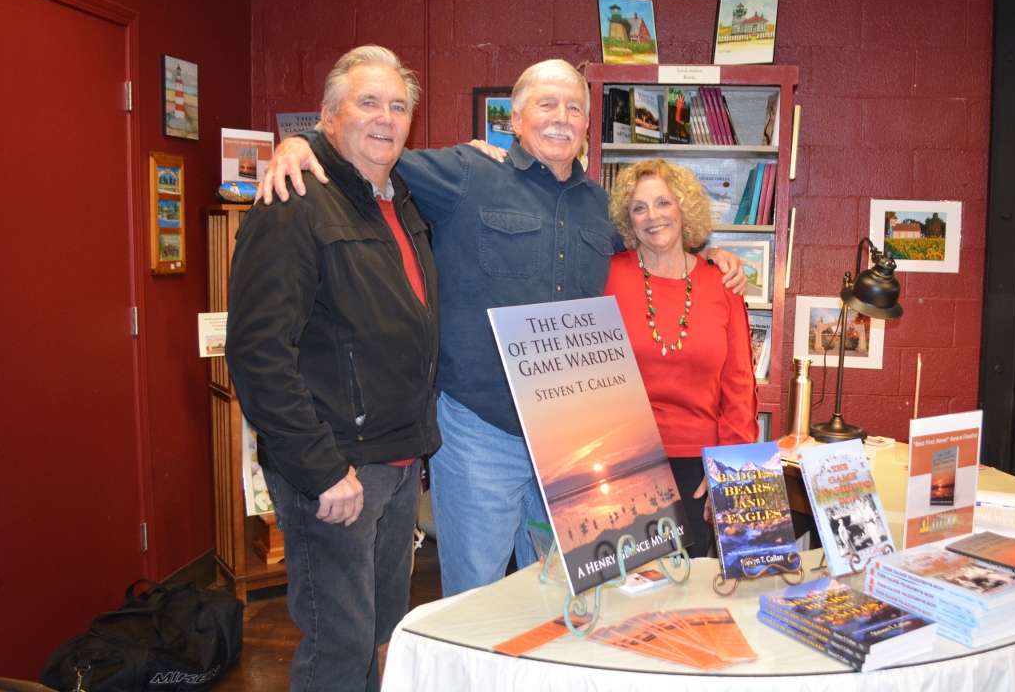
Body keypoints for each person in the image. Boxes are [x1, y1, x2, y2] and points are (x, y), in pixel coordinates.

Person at [258, 60, 746, 597]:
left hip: (574, 442)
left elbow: (661, 246)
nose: (561, 118)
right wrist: (301, 146)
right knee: (476, 598)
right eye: (546, 104)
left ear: (587, 125)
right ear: (515, 118)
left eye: (575, 108)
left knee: (571, 598)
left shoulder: (604, 214)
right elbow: (371, 150)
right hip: (480, 434)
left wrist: (711, 256)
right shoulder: (466, 172)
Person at [225, 45, 439, 692]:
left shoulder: (399, 197)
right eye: (367, 102)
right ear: (326, 116)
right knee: (338, 648)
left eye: (398, 106)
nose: (385, 118)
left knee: (378, 629)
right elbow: (258, 354)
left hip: (396, 463)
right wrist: (321, 470)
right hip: (336, 470)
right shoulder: (293, 203)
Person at [604, 159, 759, 558]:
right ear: (628, 220)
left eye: (663, 203)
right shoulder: (606, 276)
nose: (652, 216)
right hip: (625, 465)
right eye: (639, 208)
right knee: (629, 598)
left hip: (700, 470)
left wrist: (728, 476)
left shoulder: (722, 283)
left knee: (688, 596)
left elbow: (740, 388)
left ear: (683, 209)